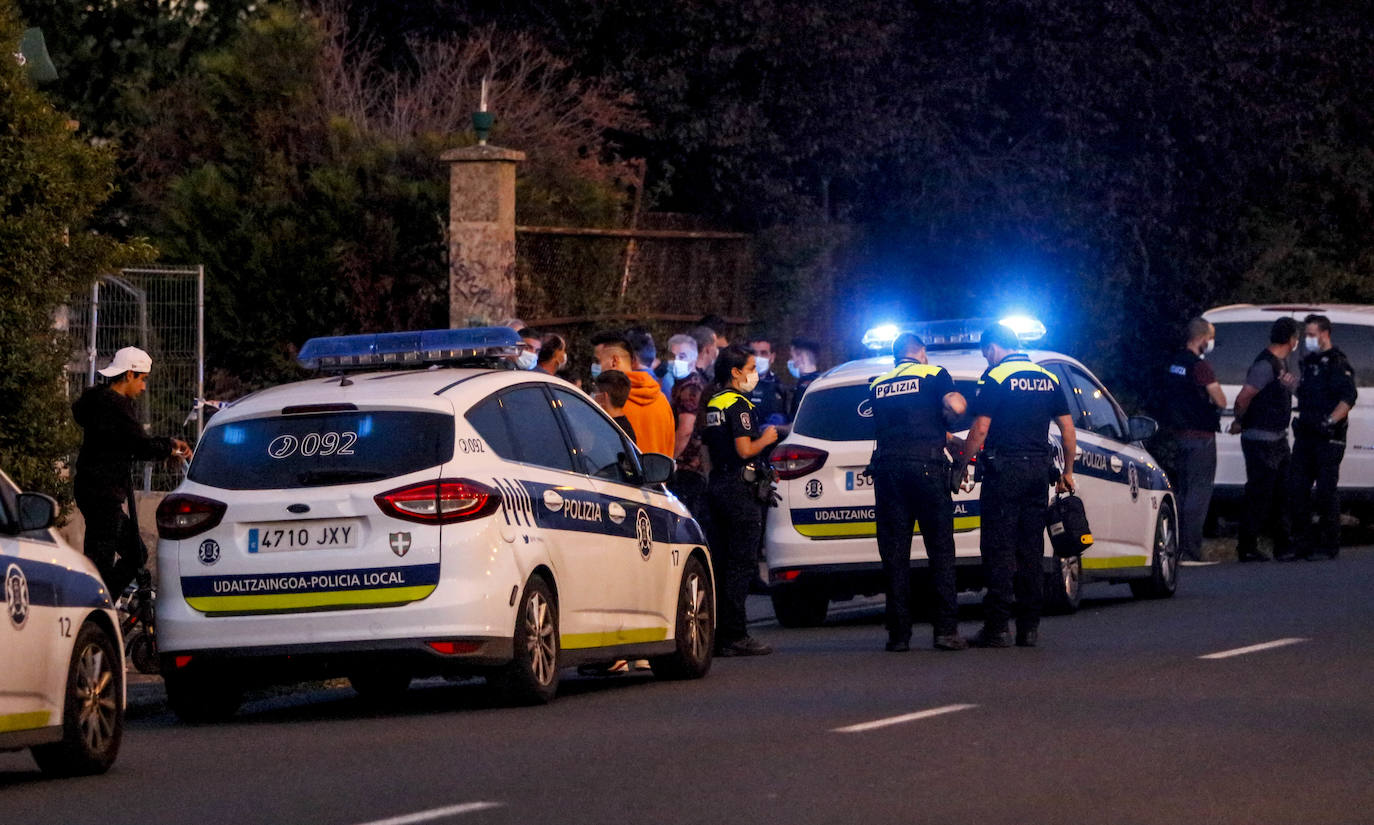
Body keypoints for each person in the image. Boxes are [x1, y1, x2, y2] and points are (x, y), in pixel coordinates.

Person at [960, 323, 1076, 648]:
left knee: (998, 548)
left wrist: (963, 463)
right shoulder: (1048, 378)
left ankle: (997, 628)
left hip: (1004, 471)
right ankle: (1029, 627)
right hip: (1039, 472)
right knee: (1031, 549)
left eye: (986, 355)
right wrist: (1068, 471)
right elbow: (1067, 430)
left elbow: (981, 429)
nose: (987, 361)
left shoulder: (996, 377)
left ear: (993, 347)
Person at [868, 333, 969, 652]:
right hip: (927, 468)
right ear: (921, 352)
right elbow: (954, 404)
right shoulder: (933, 373)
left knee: (895, 554)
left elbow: (901, 421)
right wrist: (953, 417)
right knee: (940, 550)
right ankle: (945, 631)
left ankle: (898, 635)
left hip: (888, 470)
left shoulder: (877, 384)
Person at [72, 346, 192, 595]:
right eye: (142, 379)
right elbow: (139, 444)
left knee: (104, 559)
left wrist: (167, 446)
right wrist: (170, 448)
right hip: (102, 494)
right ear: (129, 375)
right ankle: (98, 608)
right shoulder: (115, 406)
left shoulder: (99, 401)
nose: (144, 387)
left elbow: (130, 442)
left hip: (94, 491)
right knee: (124, 557)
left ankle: (98, 604)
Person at [702, 344, 778, 656]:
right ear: (735, 372)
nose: (754, 374)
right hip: (739, 487)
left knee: (720, 562)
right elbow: (745, 449)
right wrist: (768, 438)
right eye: (750, 368)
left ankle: (720, 635)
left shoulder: (713, 402)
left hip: (717, 484)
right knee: (742, 563)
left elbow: (706, 449)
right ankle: (736, 634)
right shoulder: (738, 404)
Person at [1229, 317, 1301, 562]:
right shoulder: (1266, 365)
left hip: (1277, 439)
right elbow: (1244, 397)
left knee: (1282, 493)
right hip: (1261, 440)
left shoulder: (1281, 363)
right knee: (1260, 494)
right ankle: (1247, 546)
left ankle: (1283, 545)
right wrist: (1240, 420)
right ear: (1291, 339)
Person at [1288, 314, 1358, 559]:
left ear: (1325, 334)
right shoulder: (1310, 363)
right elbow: (1308, 395)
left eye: (1311, 334)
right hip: (1306, 434)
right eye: (1306, 334)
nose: (1308, 339)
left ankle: (1329, 546)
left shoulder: (1336, 363)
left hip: (1327, 437)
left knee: (1326, 491)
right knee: (1297, 488)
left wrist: (1330, 421)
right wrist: (1293, 387)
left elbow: (1348, 397)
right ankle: (1302, 544)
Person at [1162, 317, 1227, 562]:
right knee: (1198, 495)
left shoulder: (1175, 363)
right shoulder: (1200, 367)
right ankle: (1191, 550)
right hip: (1201, 436)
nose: (1211, 343)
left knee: (1183, 492)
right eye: (1210, 338)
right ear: (1202, 338)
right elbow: (1220, 400)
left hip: (1180, 435)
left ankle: (1175, 547)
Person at [590, 330, 675, 456]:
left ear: (614, 361)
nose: (594, 366)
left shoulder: (608, 403)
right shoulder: (662, 401)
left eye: (597, 361)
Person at [665, 334, 710, 524]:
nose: (676, 361)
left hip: (688, 468)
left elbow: (685, 429)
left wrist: (668, 459)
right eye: (672, 356)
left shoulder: (691, 388)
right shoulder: (681, 385)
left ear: (693, 358)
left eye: (682, 356)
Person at [747, 332, 788, 426]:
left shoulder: (779, 386)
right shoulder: (738, 383)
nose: (758, 358)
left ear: (772, 357)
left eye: (763, 353)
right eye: (754, 353)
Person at [594, 369, 637, 443]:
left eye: (596, 391)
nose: (594, 396)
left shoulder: (606, 431)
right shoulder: (627, 431)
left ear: (604, 396)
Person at [787, 338, 822, 419]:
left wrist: (775, 427)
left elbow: (800, 422)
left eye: (791, 356)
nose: (790, 361)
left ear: (801, 357)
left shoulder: (806, 386)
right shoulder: (821, 380)